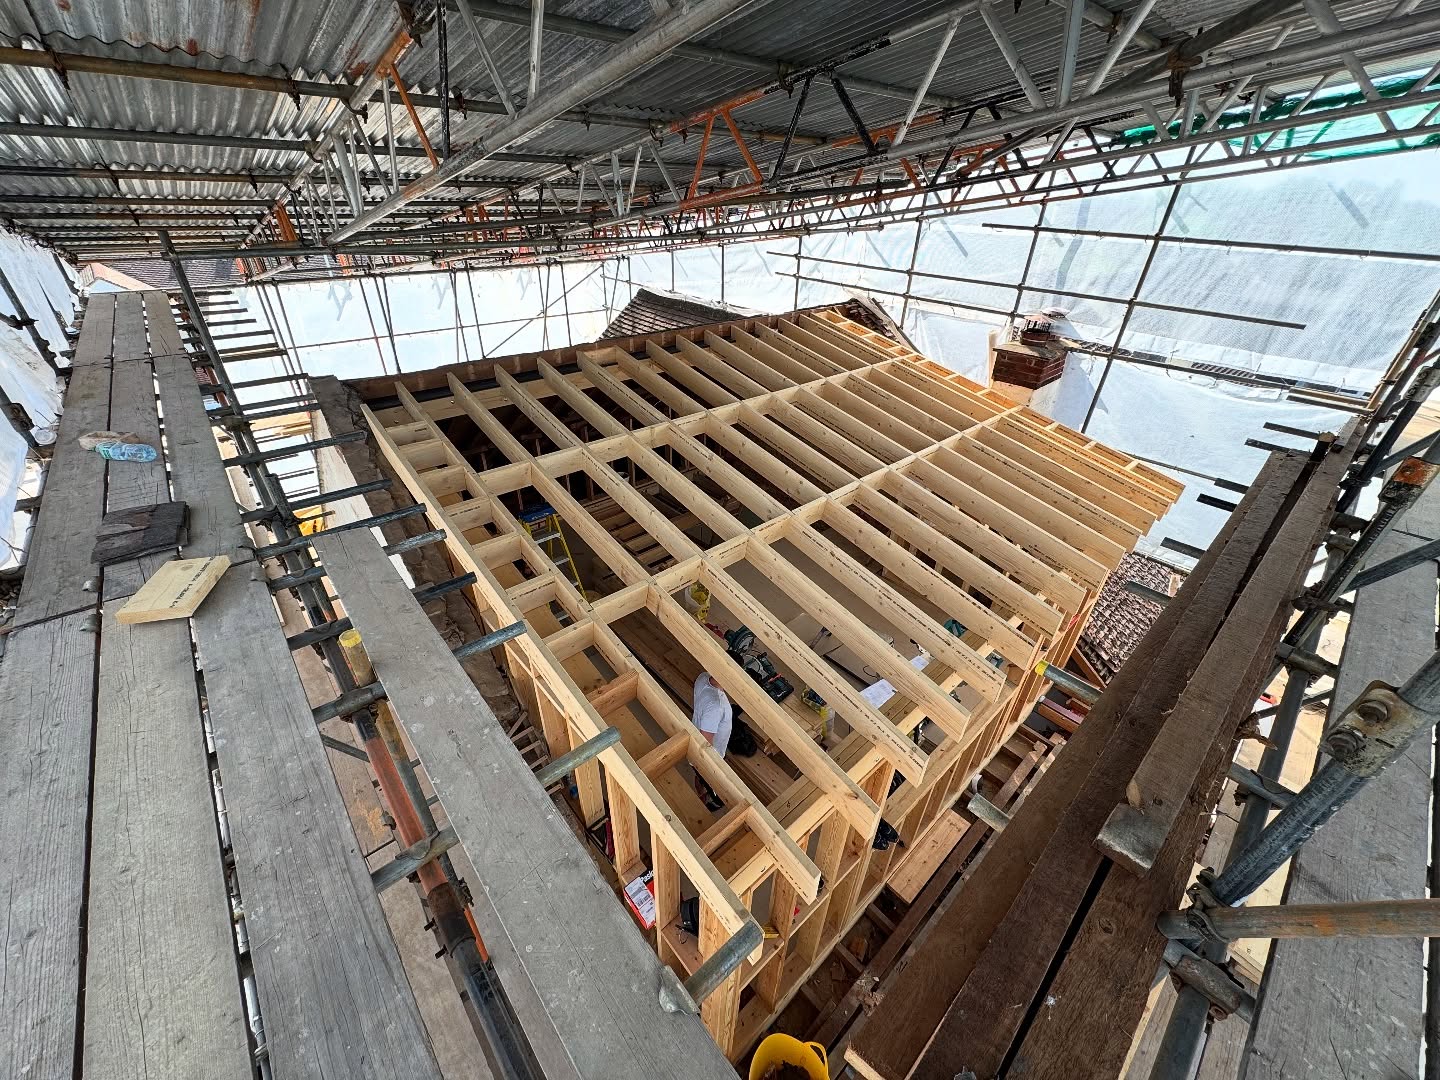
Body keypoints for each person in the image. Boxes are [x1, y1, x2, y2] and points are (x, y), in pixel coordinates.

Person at [691, 672, 732, 811]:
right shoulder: (716, 706)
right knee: (707, 780)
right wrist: (708, 767)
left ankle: (701, 789)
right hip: (710, 757)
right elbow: (705, 742)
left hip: (695, 743)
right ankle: (703, 802)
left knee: (699, 775)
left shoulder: (703, 677)